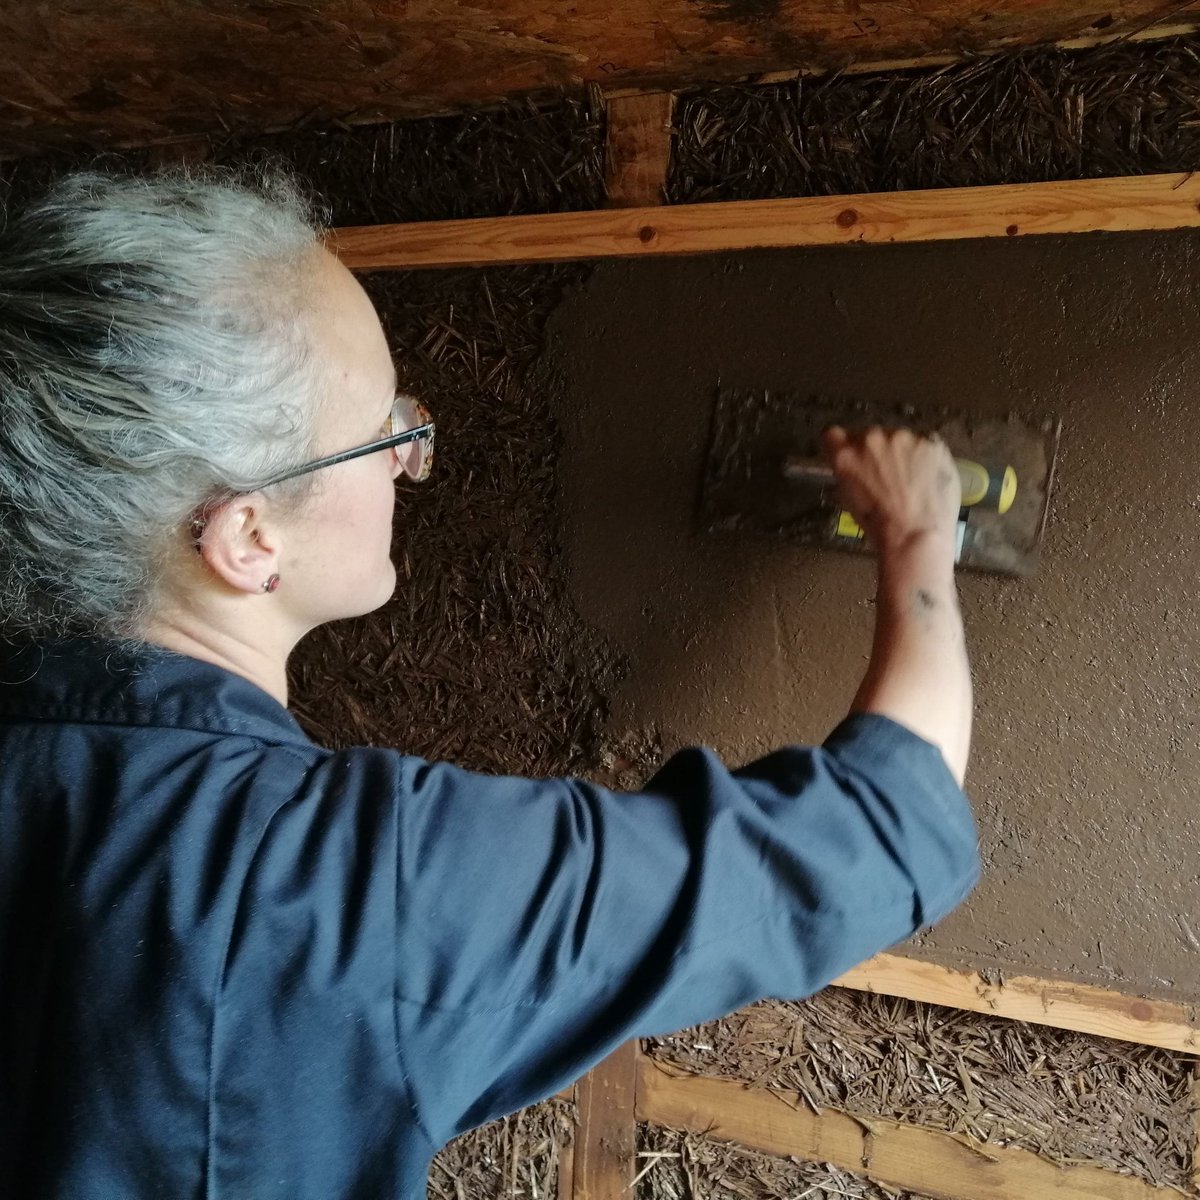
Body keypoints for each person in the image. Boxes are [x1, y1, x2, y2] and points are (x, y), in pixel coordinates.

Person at [0, 168, 978, 1199]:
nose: (408, 460)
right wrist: (919, 539)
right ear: (249, 537)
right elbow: (883, 828)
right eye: (386, 433)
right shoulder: (350, 883)